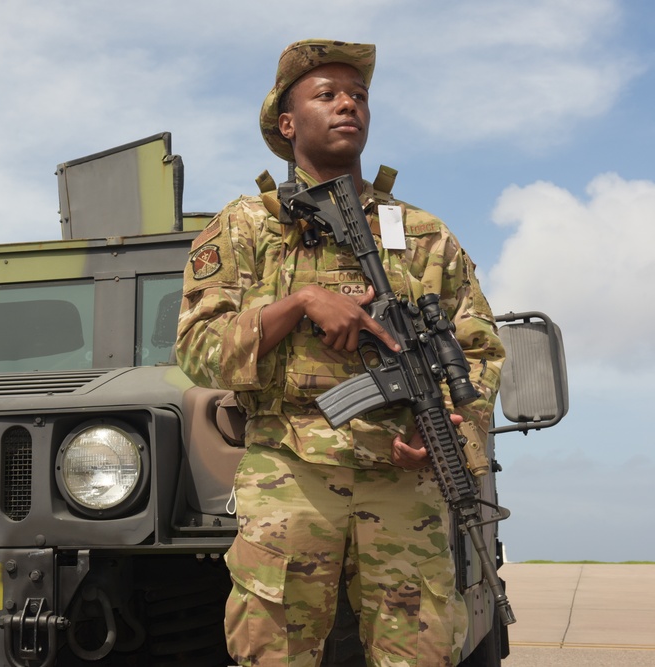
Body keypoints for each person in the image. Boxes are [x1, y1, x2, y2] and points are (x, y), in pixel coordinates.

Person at [175, 39, 505, 667]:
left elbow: (479, 351)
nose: (348, 104)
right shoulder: (245, 228)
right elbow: (197, 351)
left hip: (407, 476)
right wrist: (298, 303)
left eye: (358, 95)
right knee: (273, 651)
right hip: (290, 473)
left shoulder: (425, 234)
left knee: (425, 651)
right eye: (326, 94)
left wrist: (448, 438)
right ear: (288, 121)